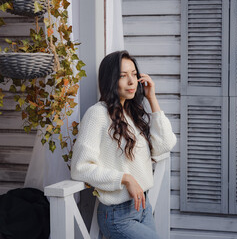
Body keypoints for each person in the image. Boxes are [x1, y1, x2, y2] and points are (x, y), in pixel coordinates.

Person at [70, 50, 177, 239]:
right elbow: (80, 168)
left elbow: (165, 144)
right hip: (117, 215)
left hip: (143, 207)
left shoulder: (131, 114)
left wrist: (152, 98)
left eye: (134, 75)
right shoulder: (97, 114)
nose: (131, 81)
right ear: (110, 80)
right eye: (123, 76)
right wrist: (125, 178)